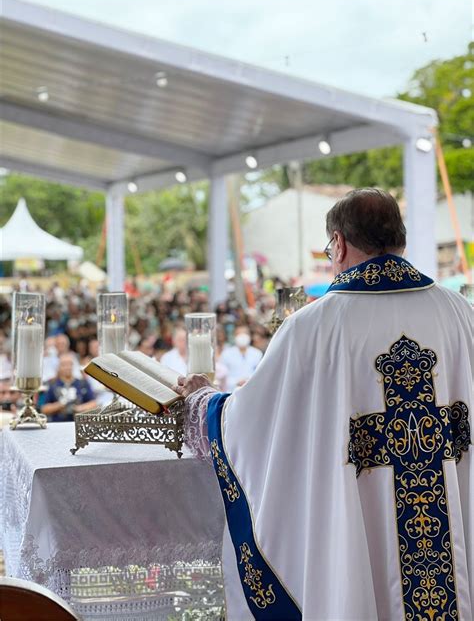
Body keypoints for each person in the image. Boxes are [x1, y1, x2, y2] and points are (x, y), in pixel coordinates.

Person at [174, 188, 473, 620]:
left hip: (359, 529)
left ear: (340, 243)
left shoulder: (312, 327)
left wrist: (202, 400)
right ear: (399, 241)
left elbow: (251, 426)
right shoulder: (461, 314)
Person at [41, 354, 97, 421]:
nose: (67, 367)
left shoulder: (82, 383)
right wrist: (60, 405)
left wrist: (78, 408)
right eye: (64, 364)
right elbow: (44, 409)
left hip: (77, 423)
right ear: (59, 367)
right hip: (57, 424)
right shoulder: (52, 384)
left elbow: (94, 403)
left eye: (69, 364)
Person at [218, 325, 263, 391]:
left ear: (249, 336)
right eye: (239, 334)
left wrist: (248, 381)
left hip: (252, 389)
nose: (242, 336)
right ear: (234, 336)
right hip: (231, 391)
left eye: (245, 333)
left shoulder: (257, 353)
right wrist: (236, 382)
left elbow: (260, 374)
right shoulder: (226, 354)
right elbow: (222, 375)